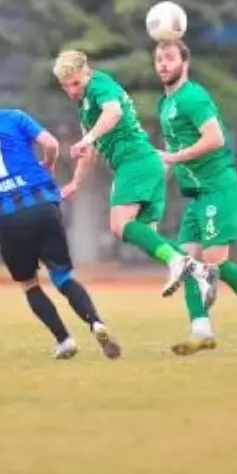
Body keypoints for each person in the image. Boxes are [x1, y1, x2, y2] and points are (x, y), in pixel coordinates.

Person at [0, 72, 122, 361]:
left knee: (29, 284)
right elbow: (51, 144)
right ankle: (96, 323)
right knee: (63, 275)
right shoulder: (14, 117)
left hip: (8, 217)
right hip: (43, 205)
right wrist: (48, 166)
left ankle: (64, 340)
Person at [53, 50, 217, 307]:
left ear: (87, 71)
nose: (72, 90)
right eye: (66, 86)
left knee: (119, 225)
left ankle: (180, 262)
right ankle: (198, 270)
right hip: (145, 163)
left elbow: (114, 112)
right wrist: (75, 181)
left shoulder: (99, 84)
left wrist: (86, 138)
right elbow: (89, 152)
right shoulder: (85, 104)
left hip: (135, 161)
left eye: (75, 83)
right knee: (144, 235)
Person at [153, 40, 237, 355]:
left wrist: (173, 158)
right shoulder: (164, 104)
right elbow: (171, 155)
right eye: (158, 59)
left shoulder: (192, 96)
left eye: (169, 58)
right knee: (185, 263)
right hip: (196, 195)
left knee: (215, 262)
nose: (162, 64)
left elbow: (215, 138)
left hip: (217, 187)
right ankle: (201, 329)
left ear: (185, 62)